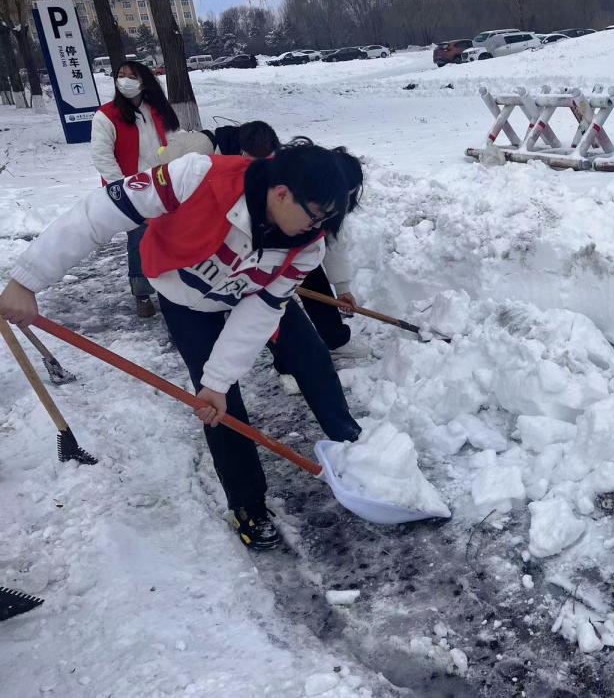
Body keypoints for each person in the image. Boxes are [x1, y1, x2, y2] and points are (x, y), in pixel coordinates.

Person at [0, 139, 364, 550]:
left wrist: (222, 373)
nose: (318, 228)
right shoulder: (195, 176)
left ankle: (357, 453)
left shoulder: (307, 243)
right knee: (219, 406)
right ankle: (247, 503)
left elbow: (262, 311)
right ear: (282, 193)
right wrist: (26, 280)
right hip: (185, 298)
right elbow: (96, 214)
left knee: (311, 357)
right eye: (316, 215)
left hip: (248, 294)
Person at [158, 122, 368, 369]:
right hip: (229, 236)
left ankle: (330, 340)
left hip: (285, 240)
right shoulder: (210, 157)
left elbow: (331, 239)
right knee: (256, 302)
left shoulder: (319, 194)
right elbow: (165, 178)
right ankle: (281, 365)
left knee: (305, 283)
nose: (335, 206)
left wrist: (341, 286)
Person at [91, 60, 180, 318]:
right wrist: (123, 188)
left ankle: (175, 286)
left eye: (132, 75)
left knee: (173, 235)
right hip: (133, 189)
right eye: (121, 75)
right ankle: (142, 293)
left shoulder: (157, 110)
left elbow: (175, 140)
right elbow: (102, 156)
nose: (126, 79)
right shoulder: (106, 115)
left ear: (144, 81)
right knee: (140, 240)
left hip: (165, 183)